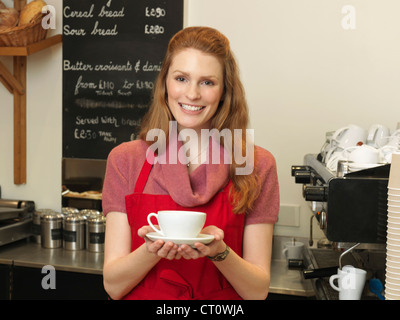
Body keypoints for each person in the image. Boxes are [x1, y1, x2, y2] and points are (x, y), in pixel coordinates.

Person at [102, 26, 280, 300]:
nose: (192, 94)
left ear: (224, 91)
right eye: (181, 78)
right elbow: (113, 286)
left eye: (207, 82)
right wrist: (151, 250)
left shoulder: (256, 164)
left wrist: (220, 253)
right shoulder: (126, 160)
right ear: (165, 84)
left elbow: (257, 291)